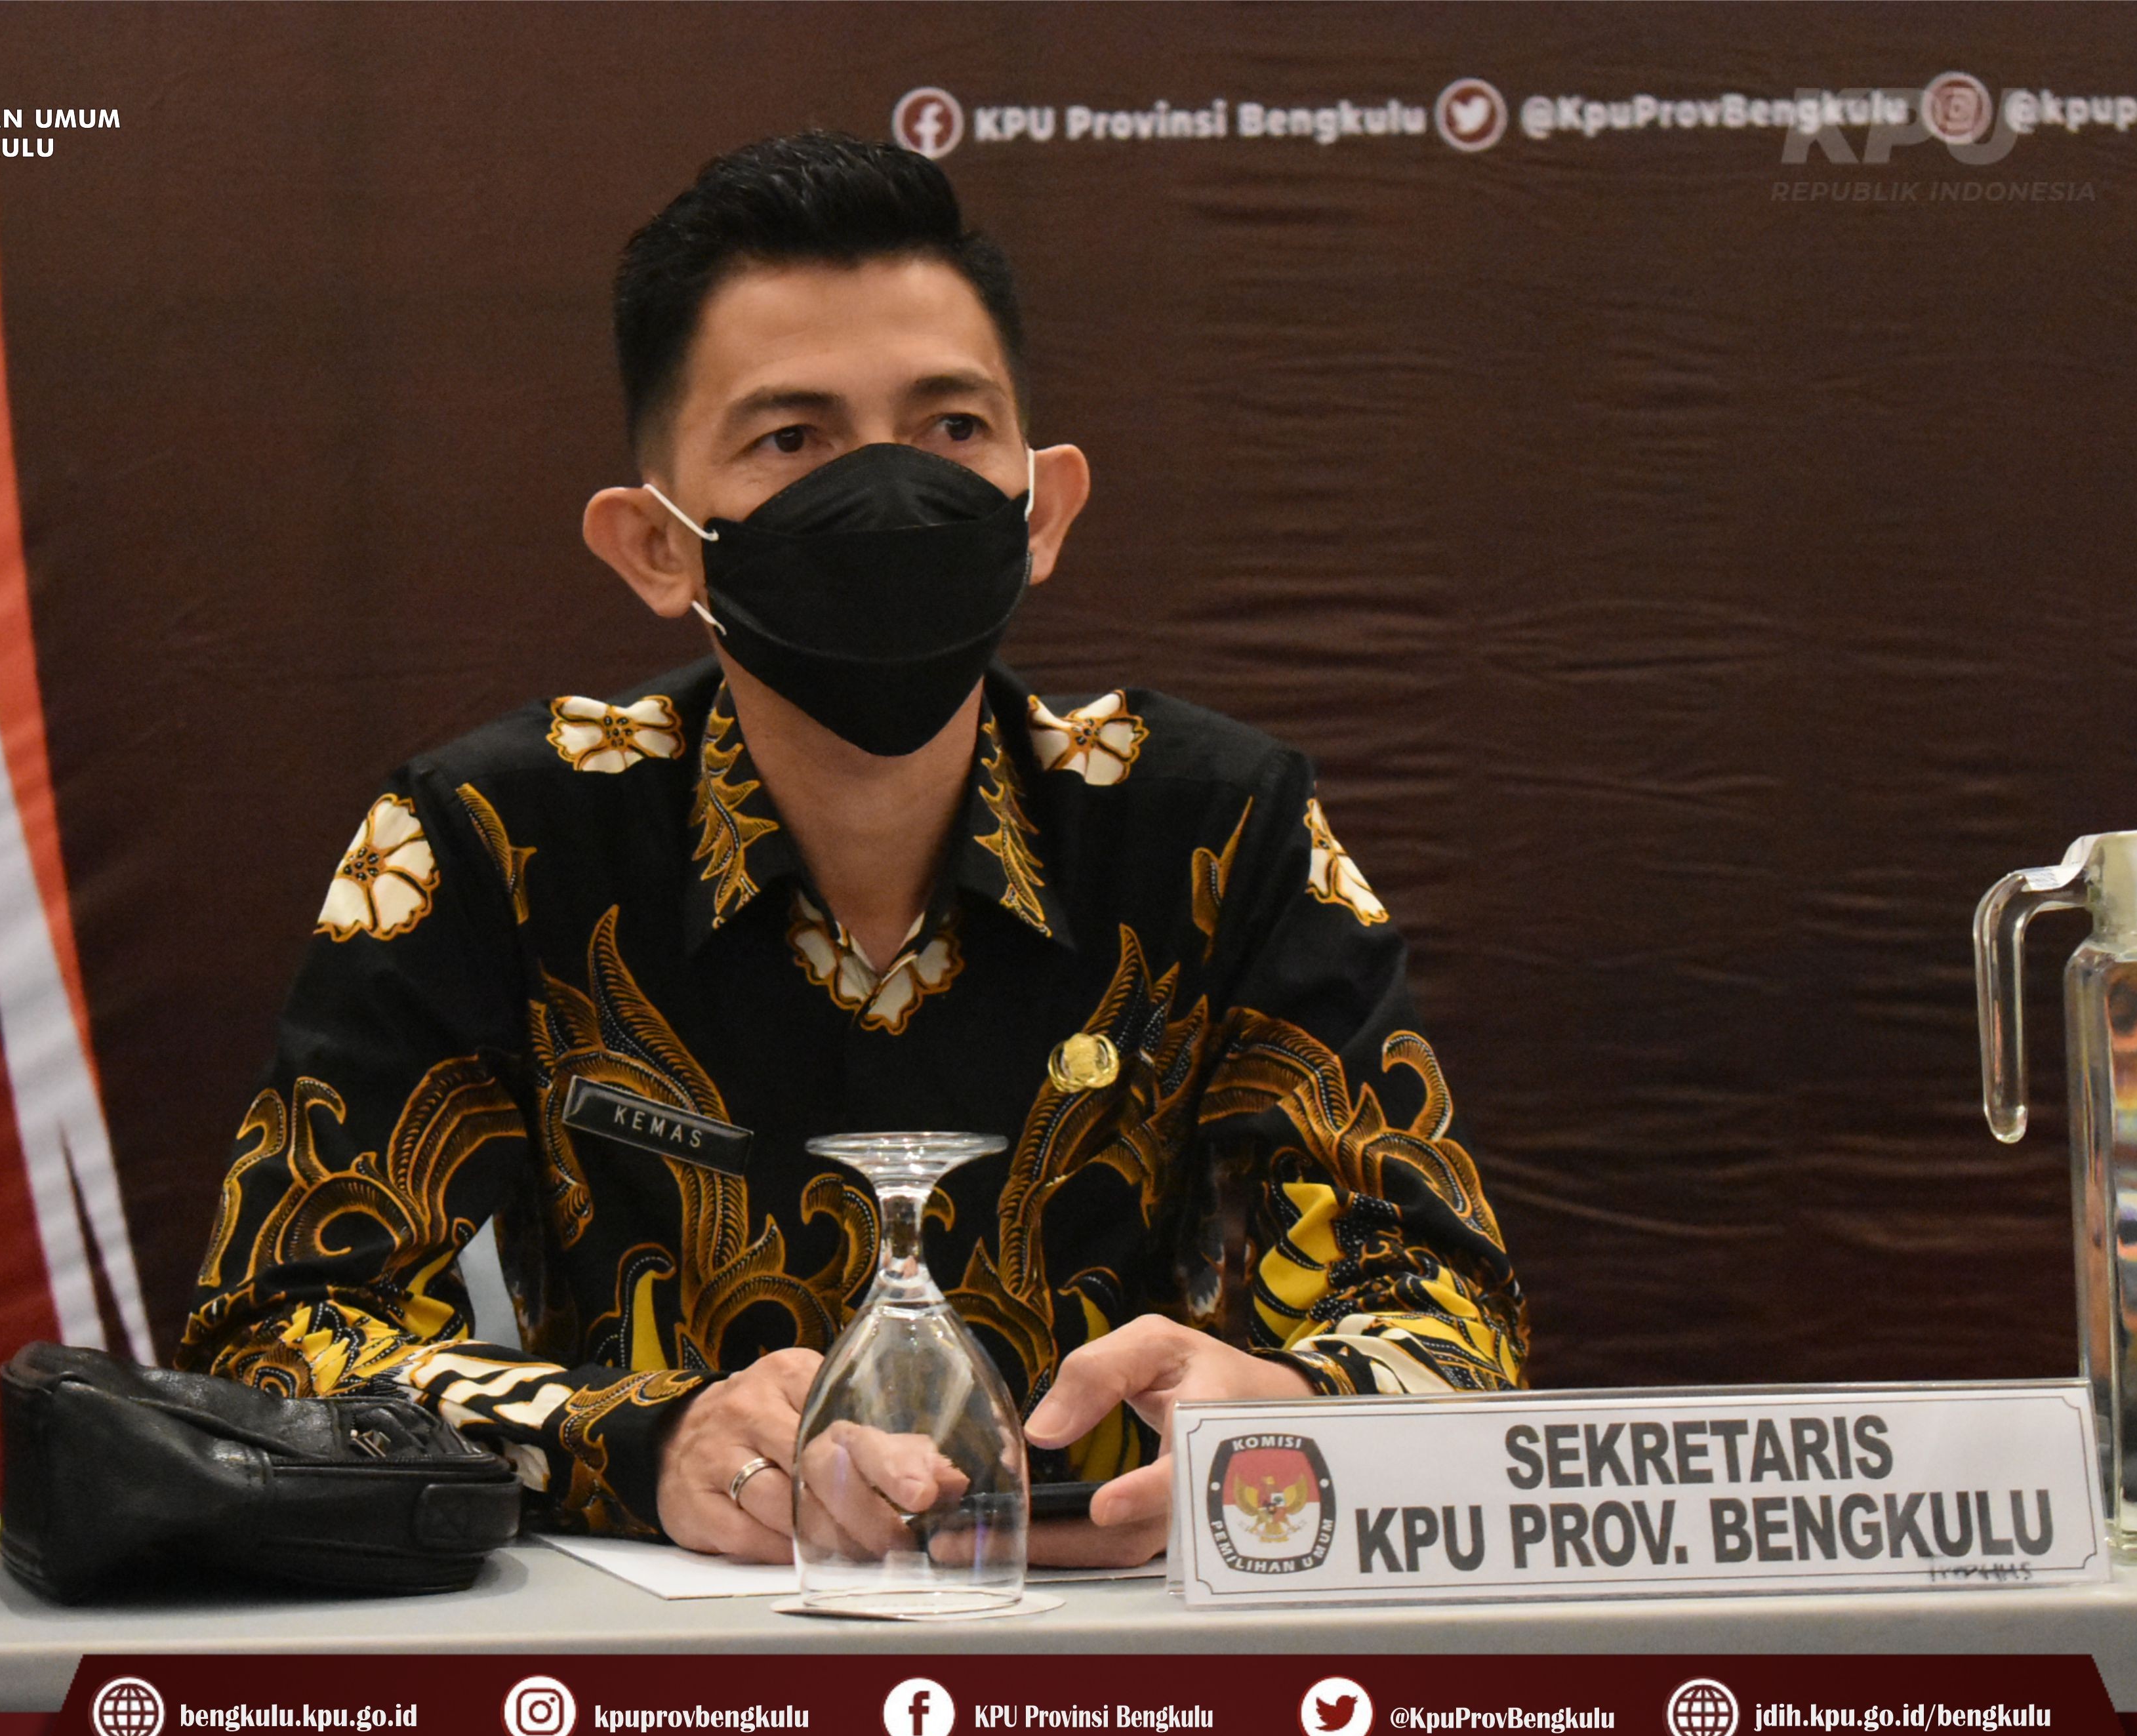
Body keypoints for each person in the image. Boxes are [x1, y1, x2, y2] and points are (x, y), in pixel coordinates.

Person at [176, 130, 1524, 1566]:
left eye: (952, 430)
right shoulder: (490, 842)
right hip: (648, 1639)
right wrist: (642, 1444)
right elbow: (274, 1343)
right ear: (655, 546)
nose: (888, 495)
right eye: (793, 440)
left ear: (1043, 510)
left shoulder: (1216, 830)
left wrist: (1291, 1412)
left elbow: (1449, 1314)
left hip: (1123, 1625)